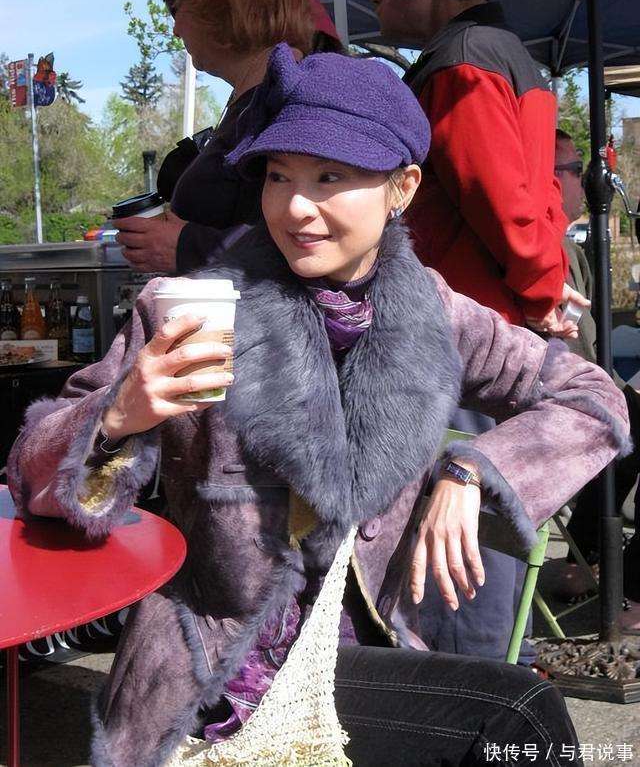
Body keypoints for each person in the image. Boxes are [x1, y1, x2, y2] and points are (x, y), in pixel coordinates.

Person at [9, 46, 627, 767]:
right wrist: (118, 416)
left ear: (402, 188)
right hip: (217, 669)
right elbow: (29, 475)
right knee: (517, 714)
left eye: (329, 177)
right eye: (279, 176)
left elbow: (593, 396)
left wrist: (472, 470)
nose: (296, 207)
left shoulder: (432, 312)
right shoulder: (192, 309)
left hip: (362, 652)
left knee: (518, 718)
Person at [369, 0, 590, 663]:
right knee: (483, 535)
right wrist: (547, 288)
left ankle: (468, 699)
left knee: (463, 555)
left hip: (465, 341)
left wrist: (542, 291)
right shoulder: (506, 54)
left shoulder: (462, 63)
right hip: (491, 327)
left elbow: (503, 202)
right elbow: (541, 196)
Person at [113, 0, 341, 276]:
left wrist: (188, 248)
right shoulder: (262, 98)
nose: (175, 29)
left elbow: (314, 236)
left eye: (174, 4)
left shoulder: (291, 103)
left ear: (222, 2)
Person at [553, 129, 640, 627]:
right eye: (572, 170)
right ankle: (628, 582)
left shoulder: (566, 245)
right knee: (627, 424)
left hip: (580, 392)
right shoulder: (543, 248)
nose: (585, 181)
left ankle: (584, 559)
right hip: (557, 402)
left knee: (629, 423)